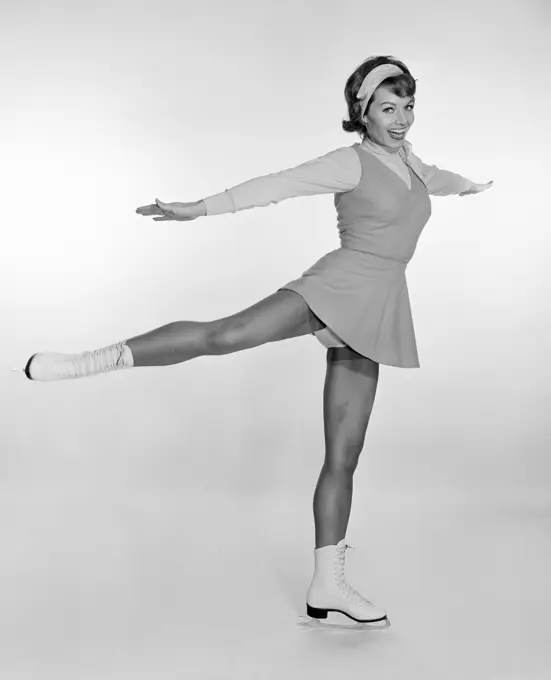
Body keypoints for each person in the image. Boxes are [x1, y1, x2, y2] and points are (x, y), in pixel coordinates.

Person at [18, 55, 493, 625]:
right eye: (387, 108)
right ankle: (93, 359)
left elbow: (440, 180)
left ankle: (327, 585)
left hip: (381, 306)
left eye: (408, 106)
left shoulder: (412, 163)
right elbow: (278, 185)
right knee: (228, 335)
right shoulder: (350, 162)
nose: (401, 119)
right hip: (338, 285)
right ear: (361, 112)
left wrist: (470, 186)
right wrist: (200, 207)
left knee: (345, 455)